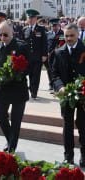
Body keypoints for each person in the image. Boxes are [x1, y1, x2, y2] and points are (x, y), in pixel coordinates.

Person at [0, 21, 30, 153]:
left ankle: (11, 148)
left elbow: (29, 67)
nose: (2, 38)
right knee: (0, 116)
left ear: (12, 32)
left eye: (5, 34)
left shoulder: (21, 46)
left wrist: (18, 73)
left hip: (18, 90)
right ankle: (10, 140)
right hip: (3, 90)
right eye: (0, 35)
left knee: (16, 121)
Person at [52, 23, 85, 167]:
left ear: (78, 34)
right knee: (67, 125)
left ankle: (84, 156)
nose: (69, 39)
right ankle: (68, 156)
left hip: (83, 95)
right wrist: (60, 87)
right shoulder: (59, 52)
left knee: (83, 125)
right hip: (66, 96)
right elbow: (54, 74)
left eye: (72, 35)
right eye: (66, 36)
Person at [22, 9, 47, 99]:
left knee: (36, 75)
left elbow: (44, 43)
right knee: (29, 74)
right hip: (27, 57)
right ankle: (30, 88)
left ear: (36, 19)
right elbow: (22, 43)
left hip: (37, 57)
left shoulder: (41, 29)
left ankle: (34, 92)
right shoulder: (25, 29)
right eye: (29, 18)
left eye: (32, 18)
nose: (31, 19)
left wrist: (44, 55)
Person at [47, 18, 64, 90]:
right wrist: (46, 52)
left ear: (59, 25)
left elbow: (62, 44)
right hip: (49, 55)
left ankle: (57, 85)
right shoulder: (48, 34)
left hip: (58, 55)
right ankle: (51, 83)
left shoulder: (62, 33)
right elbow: (46, 44)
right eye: (53, 26)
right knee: (50, 69)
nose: (54, 27)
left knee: (57, 70)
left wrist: (58, 49)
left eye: (55, 26)